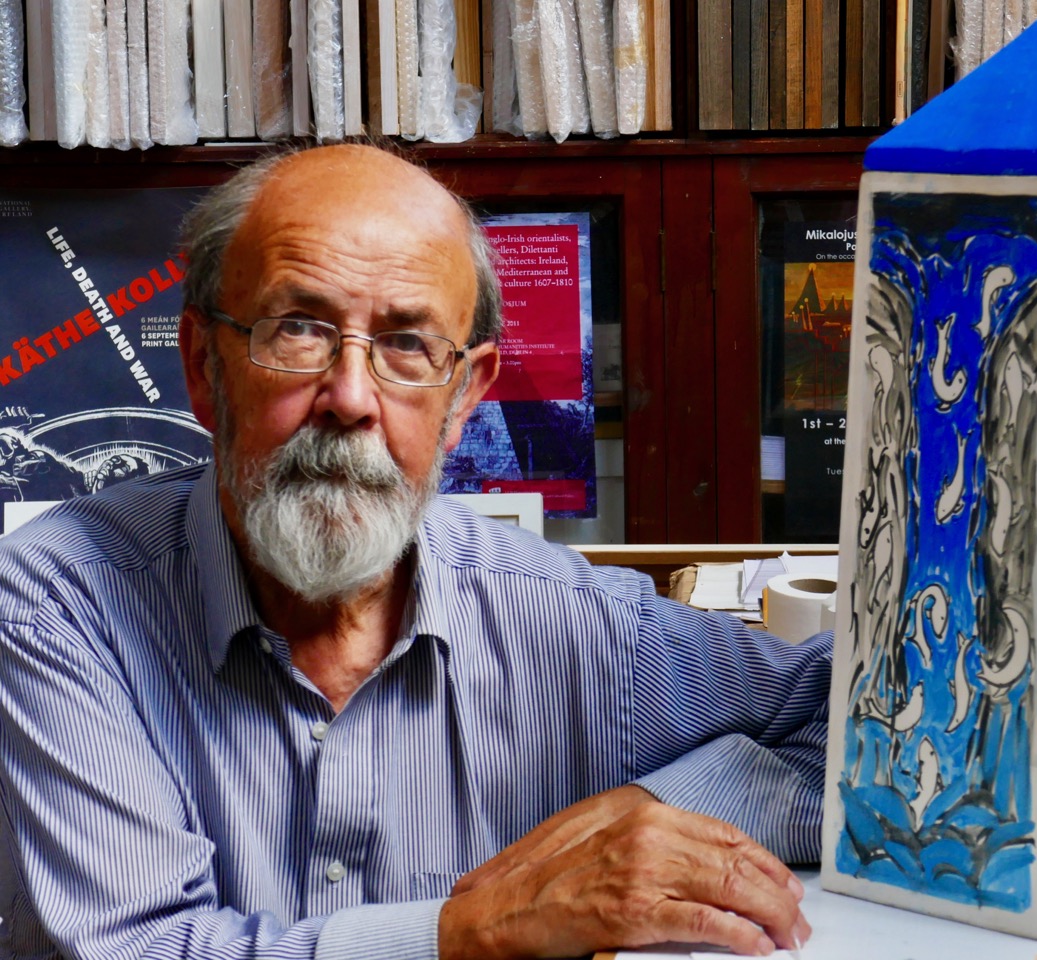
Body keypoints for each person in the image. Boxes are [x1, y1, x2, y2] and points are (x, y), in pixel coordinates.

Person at [0, 144, 832, 960]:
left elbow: (855, 729)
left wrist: (644, 819)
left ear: (464, 395)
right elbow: (140, 947)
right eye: (299, 329)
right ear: (202, 366)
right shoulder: (60, 602)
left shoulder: (570, 624)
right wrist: (477, 929)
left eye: (407, 343)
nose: (351, 398)